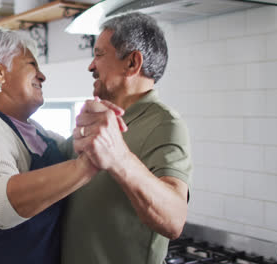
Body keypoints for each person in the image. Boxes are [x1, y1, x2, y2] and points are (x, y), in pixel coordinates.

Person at [0, 28, 126, 264]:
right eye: (32, 64)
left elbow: (74, 155)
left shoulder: (36, 131)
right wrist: (87, 165)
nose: (42, 76)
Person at [59, 12, 192, 264]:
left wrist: (119, 158)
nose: (90, 66)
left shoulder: (165, 124)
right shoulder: (101, 119)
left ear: (132, 63)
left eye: (99, 54)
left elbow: (174, 220)